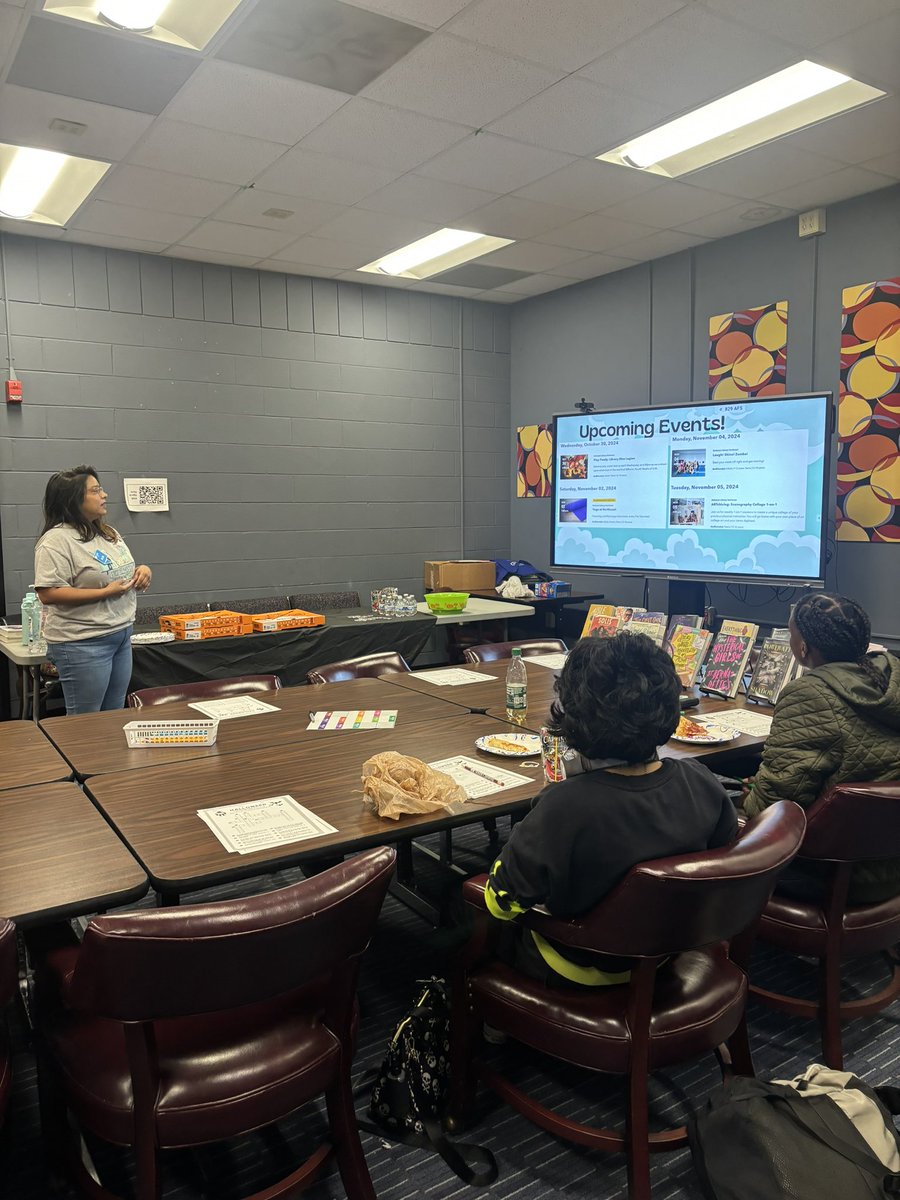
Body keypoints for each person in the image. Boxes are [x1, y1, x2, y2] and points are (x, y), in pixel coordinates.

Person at [484, 635, 737, 987]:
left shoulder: (564, 806)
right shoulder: (702, 782)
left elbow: (502, 902)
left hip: (575, 964)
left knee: (460, 904)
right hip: (666, 952)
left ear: (571, 712)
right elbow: (726, 863)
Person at [743, 592, 900, 902]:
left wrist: (747, 797)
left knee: (711, 816)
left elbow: (770, 807)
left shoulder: (810, 695)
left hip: (836, 875)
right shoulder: (890, 678)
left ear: (803, 647)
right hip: (890, 864)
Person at [34, 466, 152, 715]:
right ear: (73, 499)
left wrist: (142, 570)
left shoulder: (108, 533)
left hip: (120, 634)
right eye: (96, 490)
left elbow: (115, 573)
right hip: (82, 642)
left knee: (114, 713)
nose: (105, 495)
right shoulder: (56, 541)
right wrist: (104, 593)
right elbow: (48, 593)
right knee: (85, 722)